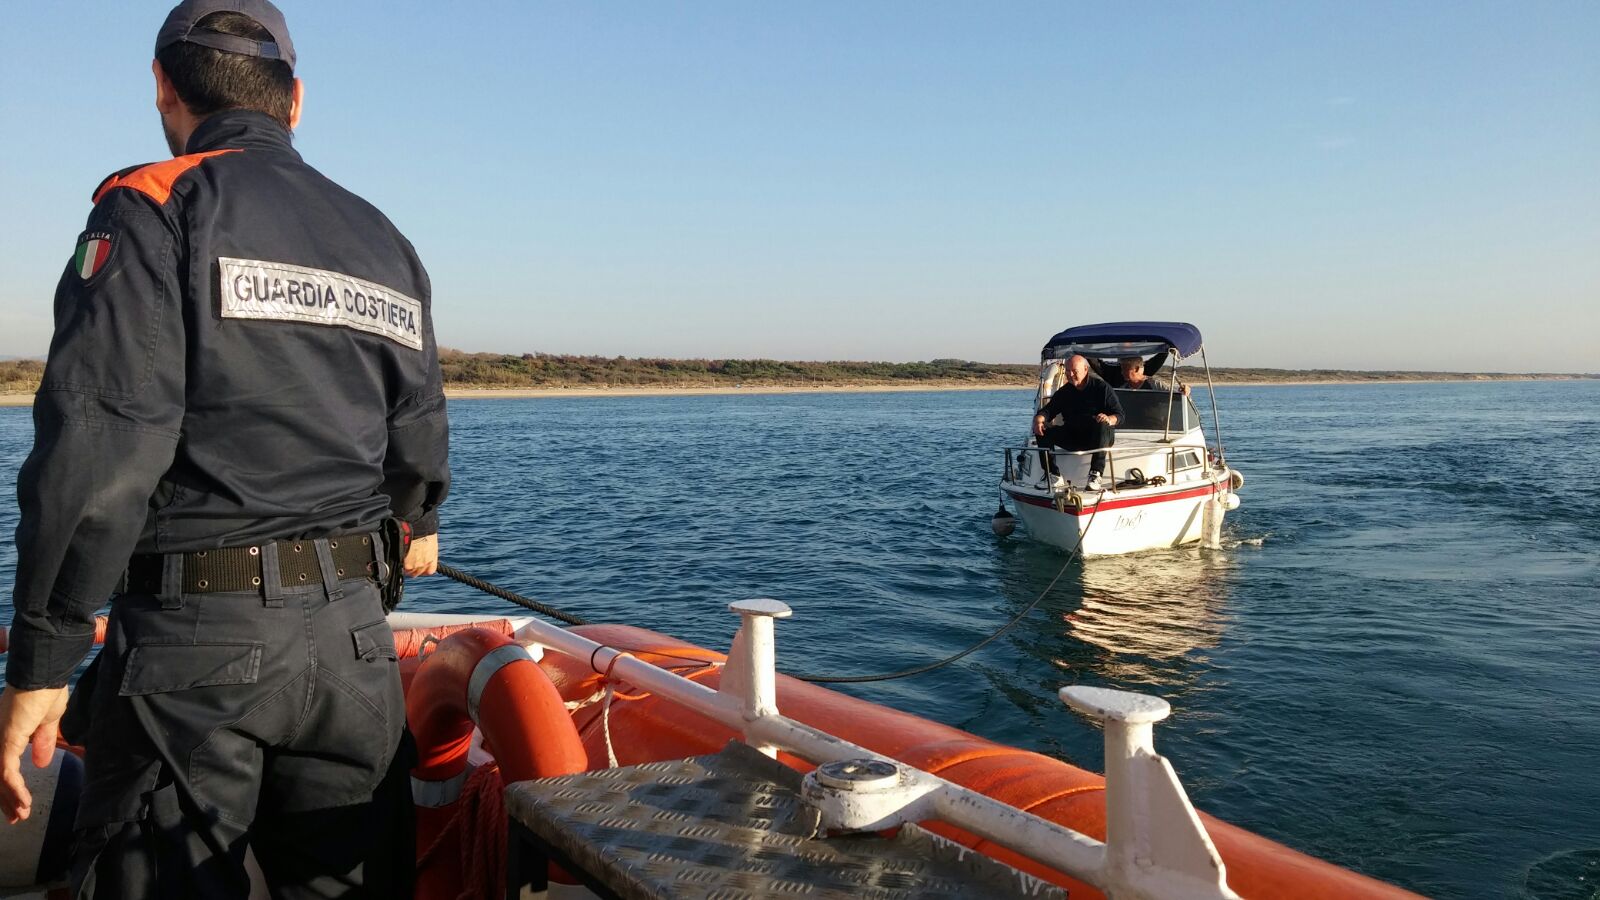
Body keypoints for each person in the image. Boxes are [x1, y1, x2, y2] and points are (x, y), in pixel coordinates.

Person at [0, 2, 449, 896]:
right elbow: (420, 428)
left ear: (164, 86)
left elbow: (99, 450)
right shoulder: (382, 239)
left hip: (194, 653)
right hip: (356, 651)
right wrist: (414, 519)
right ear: (297, 101)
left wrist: (45, 662)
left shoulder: (152, 204)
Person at [1033, 355, 1122, 489]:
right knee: (1042, 428)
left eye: (1074, 371)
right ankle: (1052, 475)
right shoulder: (1064, 392)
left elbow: (1120, 415)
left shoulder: (1102, 388)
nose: (1070, 374)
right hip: (1073, 436)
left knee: (1103, 423)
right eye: (1068, 371)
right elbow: (1049, 410)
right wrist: (1039, 419)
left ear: (1086, 369)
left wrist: (1109, 419)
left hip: (1097, 438)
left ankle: (1095, 474)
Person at [1118, 355, 1190, 395]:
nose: (1122, 372)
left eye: (1125, 369)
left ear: (1136, 369)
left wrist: (1186, 390)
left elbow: (1177, 396)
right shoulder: (1122, 389)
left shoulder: (1155, 384)